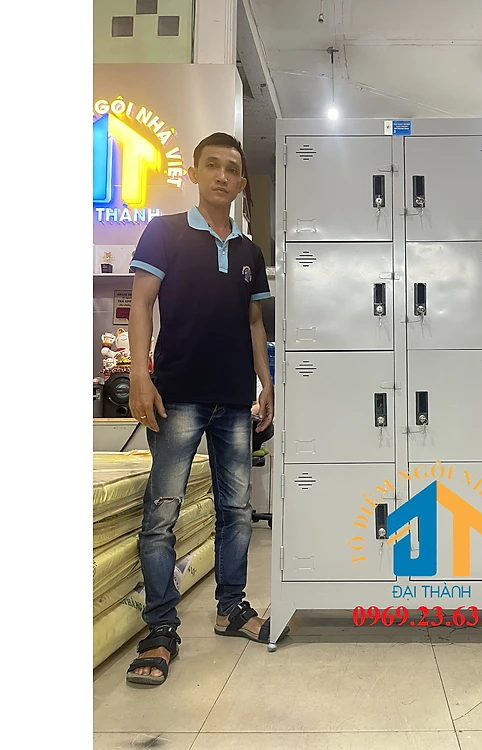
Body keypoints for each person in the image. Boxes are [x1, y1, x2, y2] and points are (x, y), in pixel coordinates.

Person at [125, 132, 283, 686]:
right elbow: (141, 304)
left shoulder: (250, 252)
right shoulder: (164, 232)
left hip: (235, 399)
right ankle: (160, 628)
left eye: (231, 169)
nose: (222, 175)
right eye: (211, 166)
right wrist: (139, 374)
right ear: (193, 174)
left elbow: (255, 323)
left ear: (240, 183)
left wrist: (267, 383)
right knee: (162, 514)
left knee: (236, 511)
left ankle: (231, 608)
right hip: (177, 396)